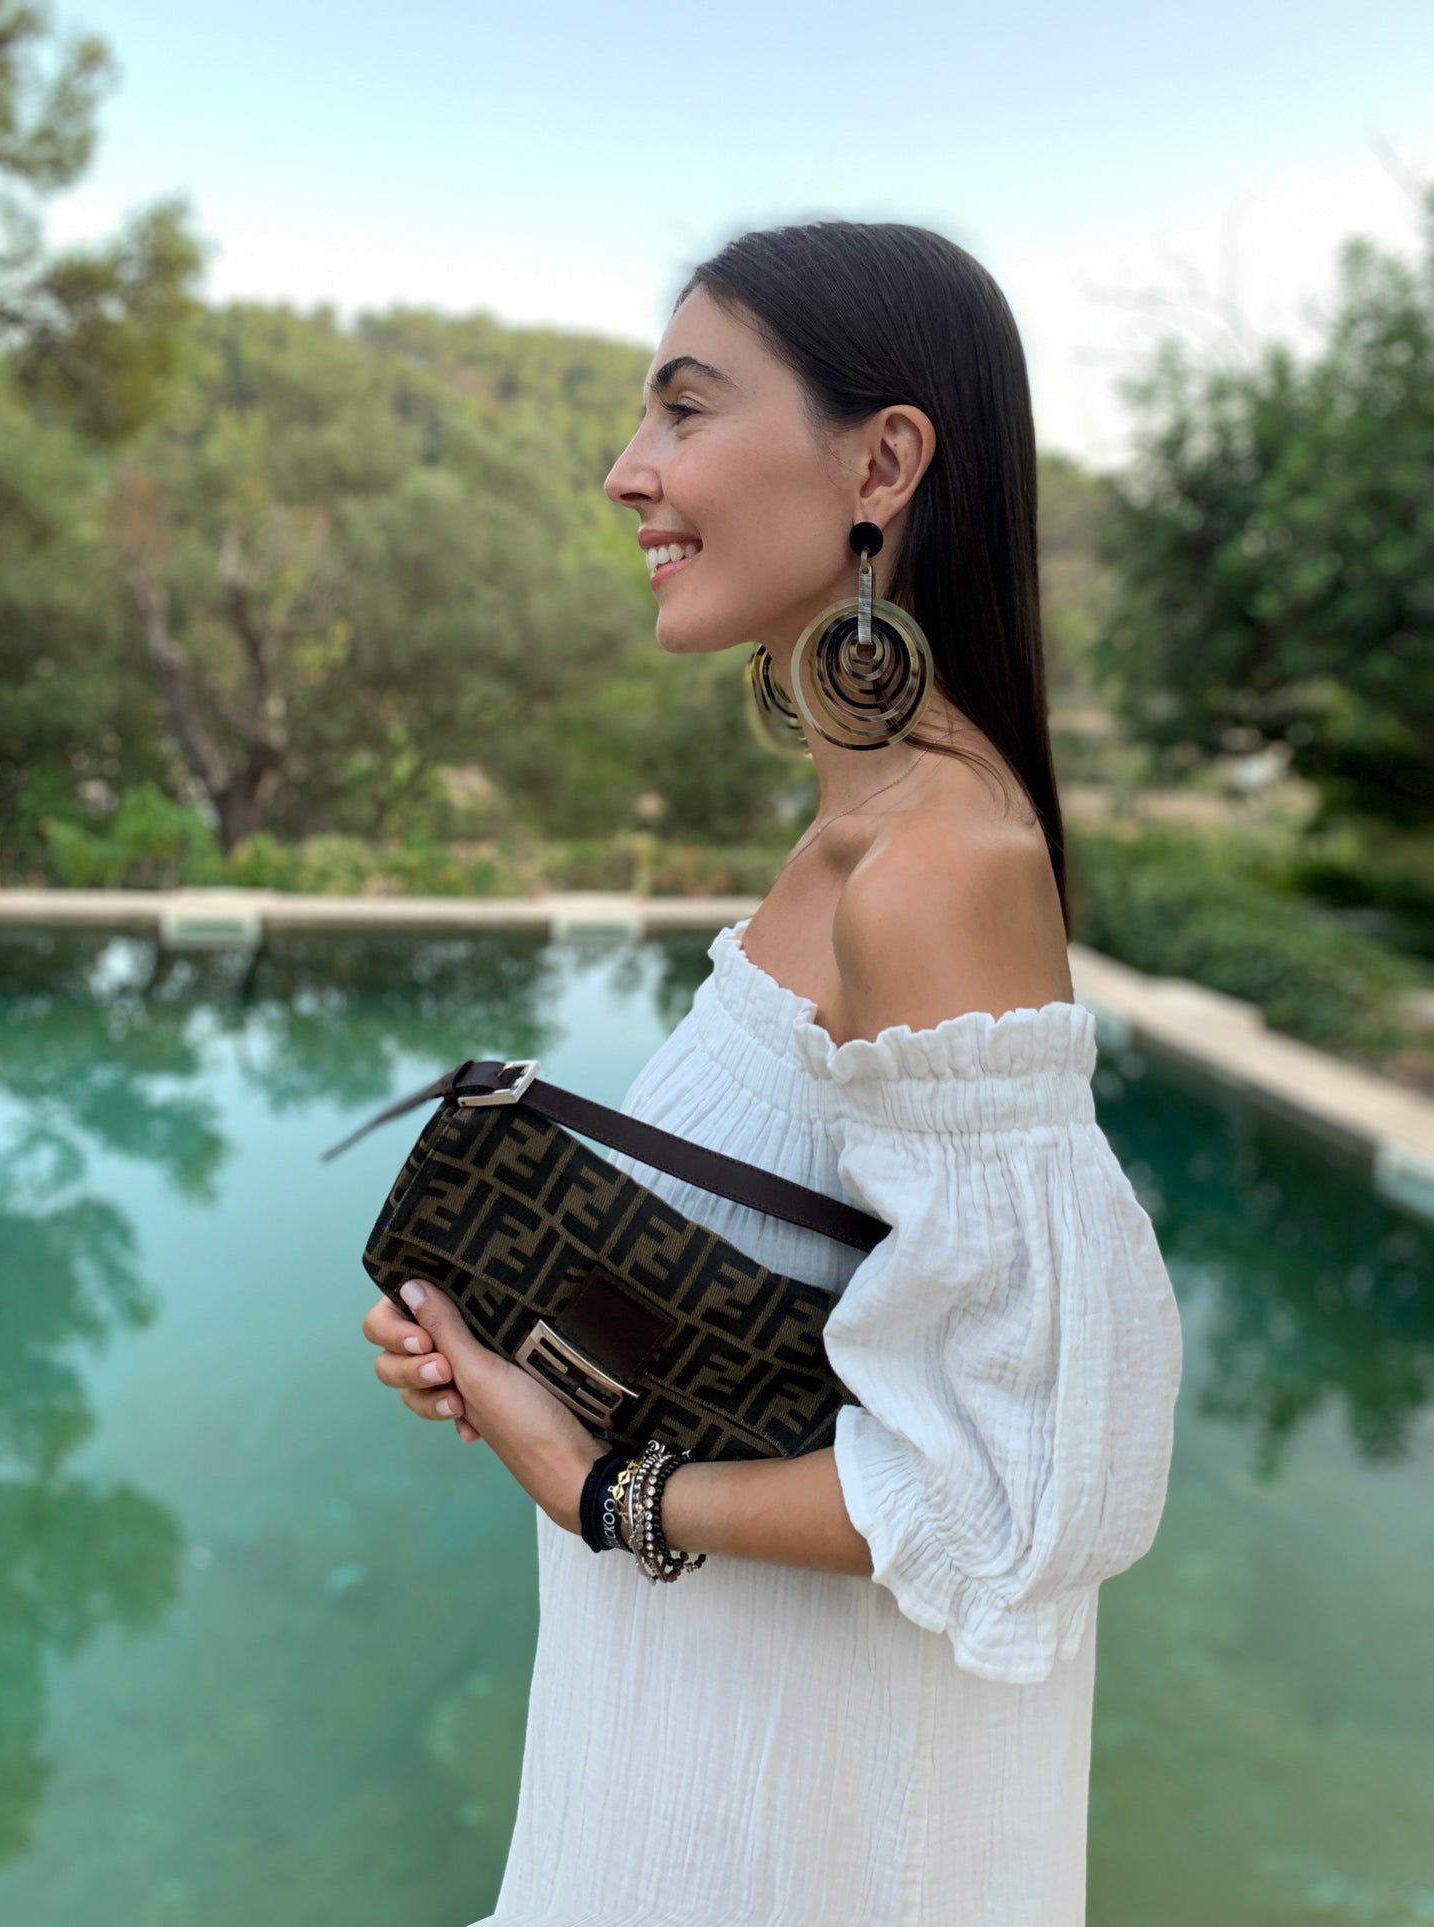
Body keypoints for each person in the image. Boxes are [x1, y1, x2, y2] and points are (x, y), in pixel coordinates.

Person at [360, 219, 1184, 1926]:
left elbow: (1021, 1478)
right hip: (690, 1760)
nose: (626, 470)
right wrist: (521, 1361)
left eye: (682, 409)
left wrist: (600, 1487)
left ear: (881, 465)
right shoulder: (855, 843)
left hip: (800, 1827)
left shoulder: (932, 870)